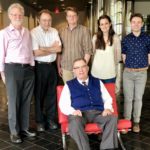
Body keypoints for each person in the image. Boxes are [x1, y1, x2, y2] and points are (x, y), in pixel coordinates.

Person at [59, 58, 118, 150]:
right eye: (77, 68)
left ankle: (107, 148)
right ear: (74, 71)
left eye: (83, 67)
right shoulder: (69, 85)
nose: (80, 70)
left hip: (98, 113)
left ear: (87, 68)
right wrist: (73, 111)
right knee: (74, 122)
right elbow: (63, 104)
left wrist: (107, 108)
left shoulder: (97, 81)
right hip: (80, 114)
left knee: (112, 118)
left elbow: (107, 98)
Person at [0, 3, 36, 143]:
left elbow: (29, 50)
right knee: (14, 101)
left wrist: (32, 67)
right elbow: (1, 54)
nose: (17, 17)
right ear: (9, 16)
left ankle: (24, 128)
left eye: (20, 14)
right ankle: (14, 132)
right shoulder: (3, 33)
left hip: (28, 69)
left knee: (26, 101)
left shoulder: (27, 31)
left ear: (23, 16)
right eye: (14, 14)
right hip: (12, 69)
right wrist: (3, 73)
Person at [31, 9, 61, 132]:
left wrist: (44, 48)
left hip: (52, 66)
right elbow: (35, 52)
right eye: (44, 20)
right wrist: (51, 48)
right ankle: (40, 121)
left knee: (52, 94)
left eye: (49, 20)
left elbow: (59, 49)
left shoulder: (54, 31)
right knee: (39, 95)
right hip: (39, 67)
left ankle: (50, 119)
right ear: (39, 20)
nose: (47, 23)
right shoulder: (33, 32)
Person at [122, 13, 150, 133]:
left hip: (142, 73)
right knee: (128, 98)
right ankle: (127, 121)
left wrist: (146, 66)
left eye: (139, 22)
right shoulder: (126, 39)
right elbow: (124, 56)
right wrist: (130, 66)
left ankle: (136, 122)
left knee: (138, 98)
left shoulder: (147, 38)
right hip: (128, 73)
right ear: (131, 23)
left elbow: (149, 54)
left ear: (142, 24)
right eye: (134, 22)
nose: (136, 24)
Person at [57, 6, 92, 83]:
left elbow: (88, 51)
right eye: (69, 16)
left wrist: (83, 67)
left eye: (74, 15)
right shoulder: (61, 31)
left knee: (81, 91)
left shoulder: (85, 30)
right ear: (66, 17)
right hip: (66, 69)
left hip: (80, 69)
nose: (72, 18)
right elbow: (59, 52)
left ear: (77, 17)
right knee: (69, 91)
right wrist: (58, 67)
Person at [91, 15, 121, 93]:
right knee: (97, 97)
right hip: (96, 73)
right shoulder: (95, 37)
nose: (104, 26)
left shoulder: (115, 38)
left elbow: (118, 57)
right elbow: (92, 53)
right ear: (99, 26)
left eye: (106, 23)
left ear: (110, 24)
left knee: (109, 97)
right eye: (102, 24)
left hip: (110, 74)